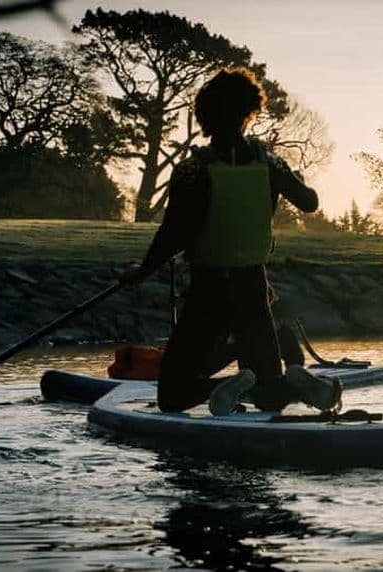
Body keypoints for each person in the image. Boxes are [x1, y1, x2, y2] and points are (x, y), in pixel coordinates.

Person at [120, 68, 339, 416]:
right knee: (270, 395)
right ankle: (298, 384)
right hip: (253, 288)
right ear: (249, 113)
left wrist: (142, 272)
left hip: (209, 290)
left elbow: (171, 234)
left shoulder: (195, 169)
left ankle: (223, 389)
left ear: (205, 116)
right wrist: (283, 170)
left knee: (173, 395)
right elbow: (309, 202)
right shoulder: (269, 163)